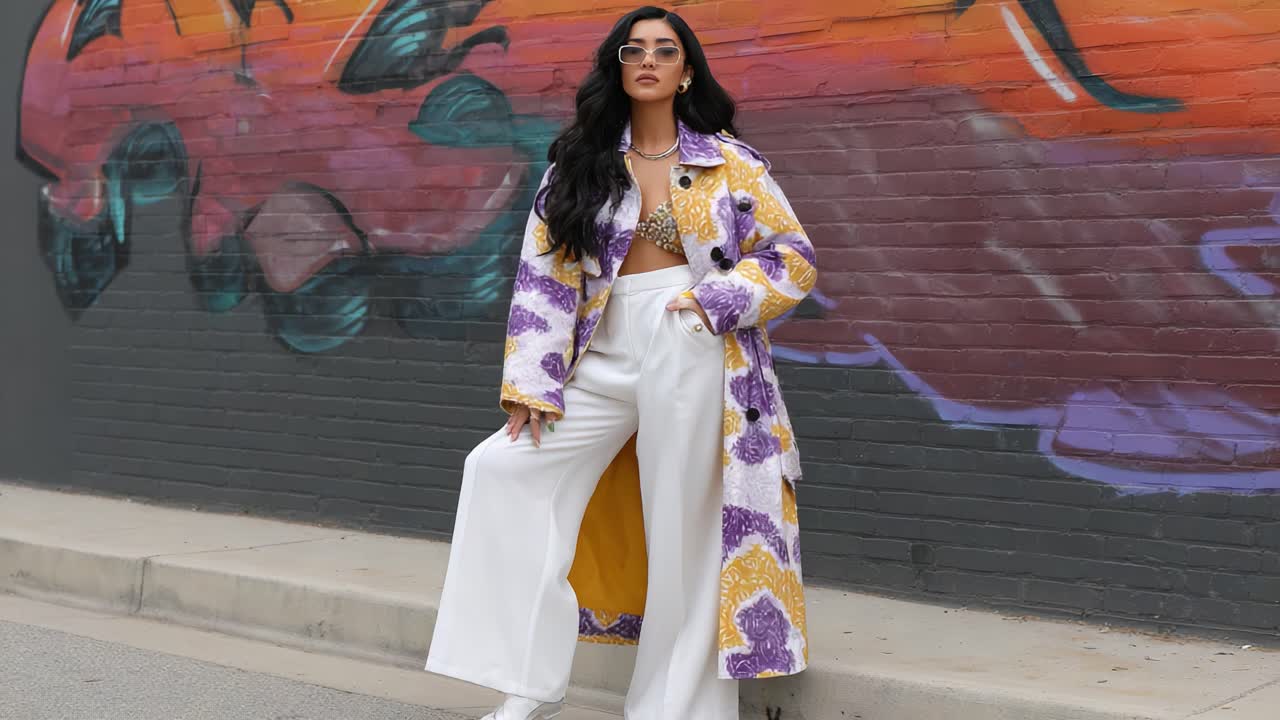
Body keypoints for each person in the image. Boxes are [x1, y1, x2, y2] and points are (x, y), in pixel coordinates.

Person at [424, 6, 817, 719]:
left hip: (694, 344)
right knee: (501, 470)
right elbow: (543, 274)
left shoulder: (731, 162)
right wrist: (531, 382)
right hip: (601, 354)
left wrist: (715, 301)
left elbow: (792, 257)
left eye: (665, 51)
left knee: (689, 528)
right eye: (633, 49)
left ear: (685, 70)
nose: (648, 60)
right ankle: (528, 683)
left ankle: (674, 708)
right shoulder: (578, 163)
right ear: (616, 66)